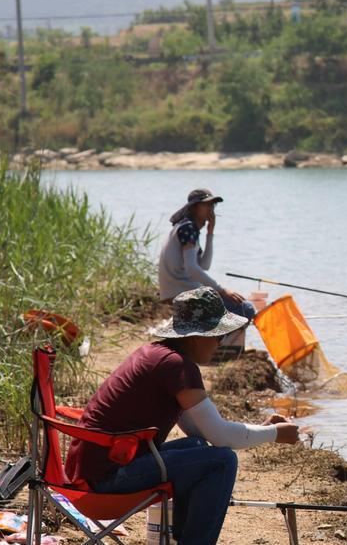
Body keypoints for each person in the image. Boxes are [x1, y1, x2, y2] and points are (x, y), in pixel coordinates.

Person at [65, 287, 301, 545]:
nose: (220, 343)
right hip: (105, 480)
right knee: (222, 461)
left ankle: (182, 539)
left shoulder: (157, 355)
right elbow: (220, 436)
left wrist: (261, 428)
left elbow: (201, 432)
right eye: (218, 336)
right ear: (197, 336)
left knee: (199, 447)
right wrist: (275, 434)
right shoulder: (177, 366)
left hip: (94, 470)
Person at [159, 188, 252, 358]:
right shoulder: (188, 228)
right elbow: (192, 269)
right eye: (207, 205)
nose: (211, 209)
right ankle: (219, 353)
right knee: (245, 309)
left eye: (213, 205)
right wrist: (222, 290)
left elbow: (204, 265)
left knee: (237, 307)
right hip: (182, 291)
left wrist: (210, 232)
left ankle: (213, 349)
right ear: (195, 207)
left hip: (178, 289)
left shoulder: (188, 227)